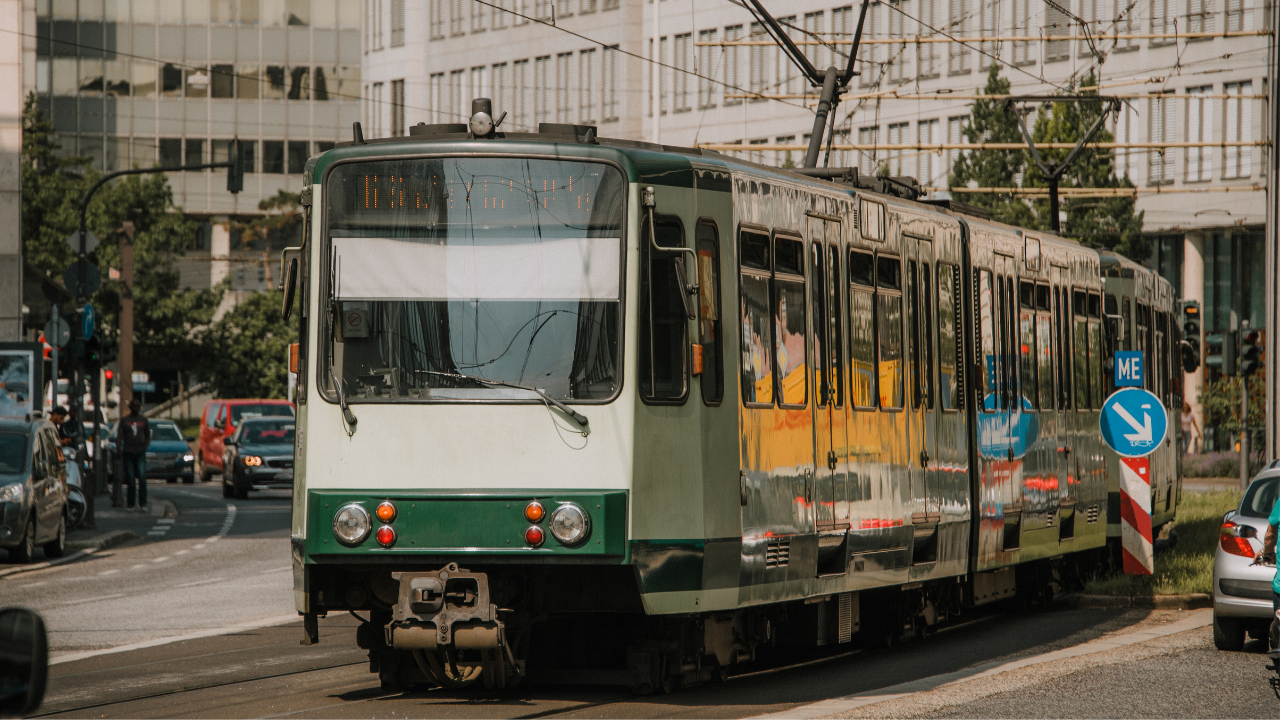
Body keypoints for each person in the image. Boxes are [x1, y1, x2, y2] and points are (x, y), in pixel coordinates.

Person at [117, 399, 150, 511]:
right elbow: (119, 436)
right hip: (128, 452)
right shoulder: (125, 420)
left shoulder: (143, 420)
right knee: (130, 479)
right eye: (134, 405)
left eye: (138, 405)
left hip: (140, 452)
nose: (136, 407)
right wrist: (119, 449)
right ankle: (130, 503)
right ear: (130, 407)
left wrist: (144, 447)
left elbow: (148, 435)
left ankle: (143, 503)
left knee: (142, 477)